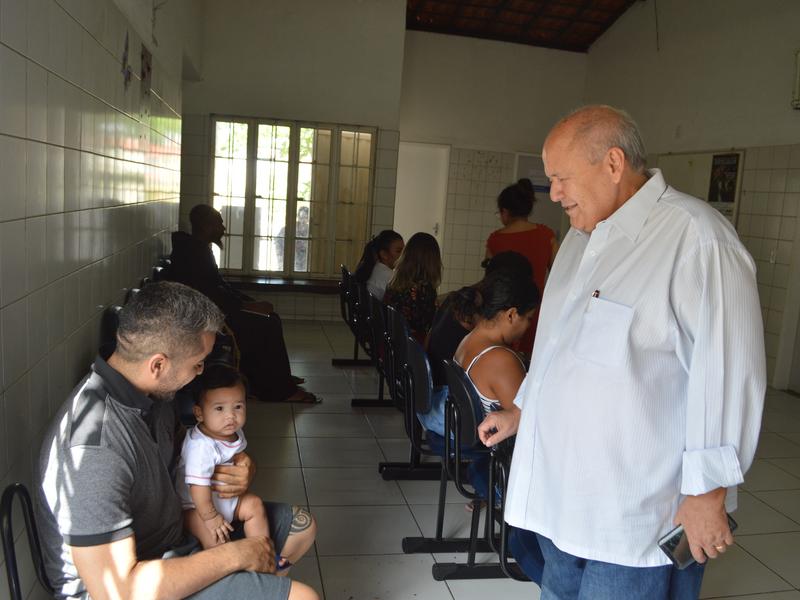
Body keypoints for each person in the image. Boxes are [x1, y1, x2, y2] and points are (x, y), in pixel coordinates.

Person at [478, 105, 766, 599]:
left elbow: (728, 374)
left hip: (633, 514)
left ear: (613, 164)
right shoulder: (578, 239)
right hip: (562, 499)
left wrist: (708, 491)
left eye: (562, 178)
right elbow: (558, 343)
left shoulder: (697, 240)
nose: (556, 193)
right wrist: (522, 410)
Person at [37, 282, 318, 600]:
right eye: (197, 364)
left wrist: (241, 464)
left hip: (173, 539)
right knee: (302, 597)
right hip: (131, 584)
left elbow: (184, 447)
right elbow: (118, 591)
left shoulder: (148, 393)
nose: (200, 374)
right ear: (158, 364)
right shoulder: (95, 450)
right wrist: (235, 556)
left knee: (301, 526)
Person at [169, 204, 317, 403]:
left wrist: (249, 302)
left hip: (215, 310)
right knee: (266, 325)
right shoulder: (194, 254)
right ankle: (279, 389)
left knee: (270, 318)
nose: (223, 228)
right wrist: (246, 307)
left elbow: (219, 287)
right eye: (219, 223)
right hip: (208, 318)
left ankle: (278, 378)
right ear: (206, 225)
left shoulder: (199, 248)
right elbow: (212, 296)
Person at [419, 251, 534, 436]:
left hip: (452, 423)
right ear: (511, 314)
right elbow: (527, 421)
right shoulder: (501, 359)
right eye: (528, 318)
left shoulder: (472, 336)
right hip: (483, 439)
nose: (529, 325)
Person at [177, 365, 278, 565]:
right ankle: (231, 575)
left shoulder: (231, 432)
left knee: (255, 505)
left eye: (238, 407)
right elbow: (198, 487)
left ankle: (265, 555)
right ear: (199, 413)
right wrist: (211, 516)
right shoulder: (200, 447)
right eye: (219, 408)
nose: (230, 416)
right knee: (217, 541)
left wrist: (243, 461)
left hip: (224, 499)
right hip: (196, 507)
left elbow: (238, 453)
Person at [485, 178, 558, 356]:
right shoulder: (546, 236)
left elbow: (489, 281)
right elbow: (559, 275)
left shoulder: (495, 239)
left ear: (505, 212)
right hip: (535, 312)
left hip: (503, 316)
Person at [383, 232, 442, 343]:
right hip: (411, 348)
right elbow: (427, 325)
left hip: (391, 343)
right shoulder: (424, 288)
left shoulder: (397, 282)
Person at [354, 229, 404, 301]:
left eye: (404, 251)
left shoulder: (376, 268)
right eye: (398, 251)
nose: (403, 256)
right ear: (384, 254)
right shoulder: (389, 276)